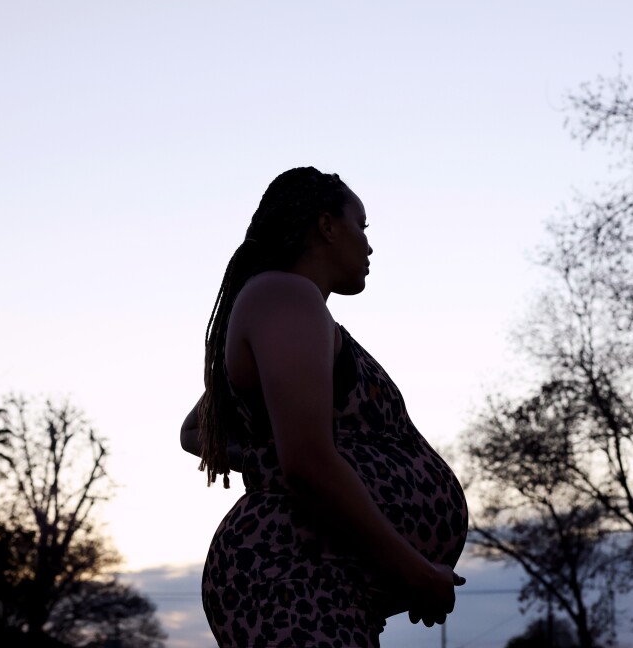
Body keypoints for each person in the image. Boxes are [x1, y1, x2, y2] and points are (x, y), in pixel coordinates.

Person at [181, 167, 469, 647]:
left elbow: (196, 429)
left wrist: (261, 457)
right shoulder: (284, 295)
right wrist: (415, 572)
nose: (370, 245)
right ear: (327, 226)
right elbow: (308, 465)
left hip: (325, 581)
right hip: (293, 577)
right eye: (362, 226)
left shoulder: (291, 308)